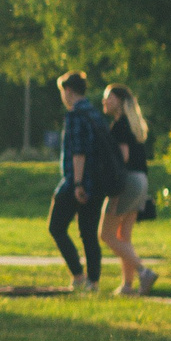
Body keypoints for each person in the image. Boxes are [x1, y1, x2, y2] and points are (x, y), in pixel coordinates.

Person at [48, 72, 113, 292]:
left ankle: (78, 276)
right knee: (88, 233)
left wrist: (77, 184)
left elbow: (79, 152)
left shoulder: (75, 115)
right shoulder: (95, 114)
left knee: (56, 226)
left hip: (79, 182)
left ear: (68, 90)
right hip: (98, 182)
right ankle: (93, 283)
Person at [97, 83, 158, 295]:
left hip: (126, 182)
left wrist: (114, 193)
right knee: (124, 237)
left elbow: (121, 160)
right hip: (141, 181)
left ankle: (144, 272)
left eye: (109, 97)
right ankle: (127, 286)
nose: (104, 101)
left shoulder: (119, 126)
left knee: (106, 235)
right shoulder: (133, 126)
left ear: (120, 101)